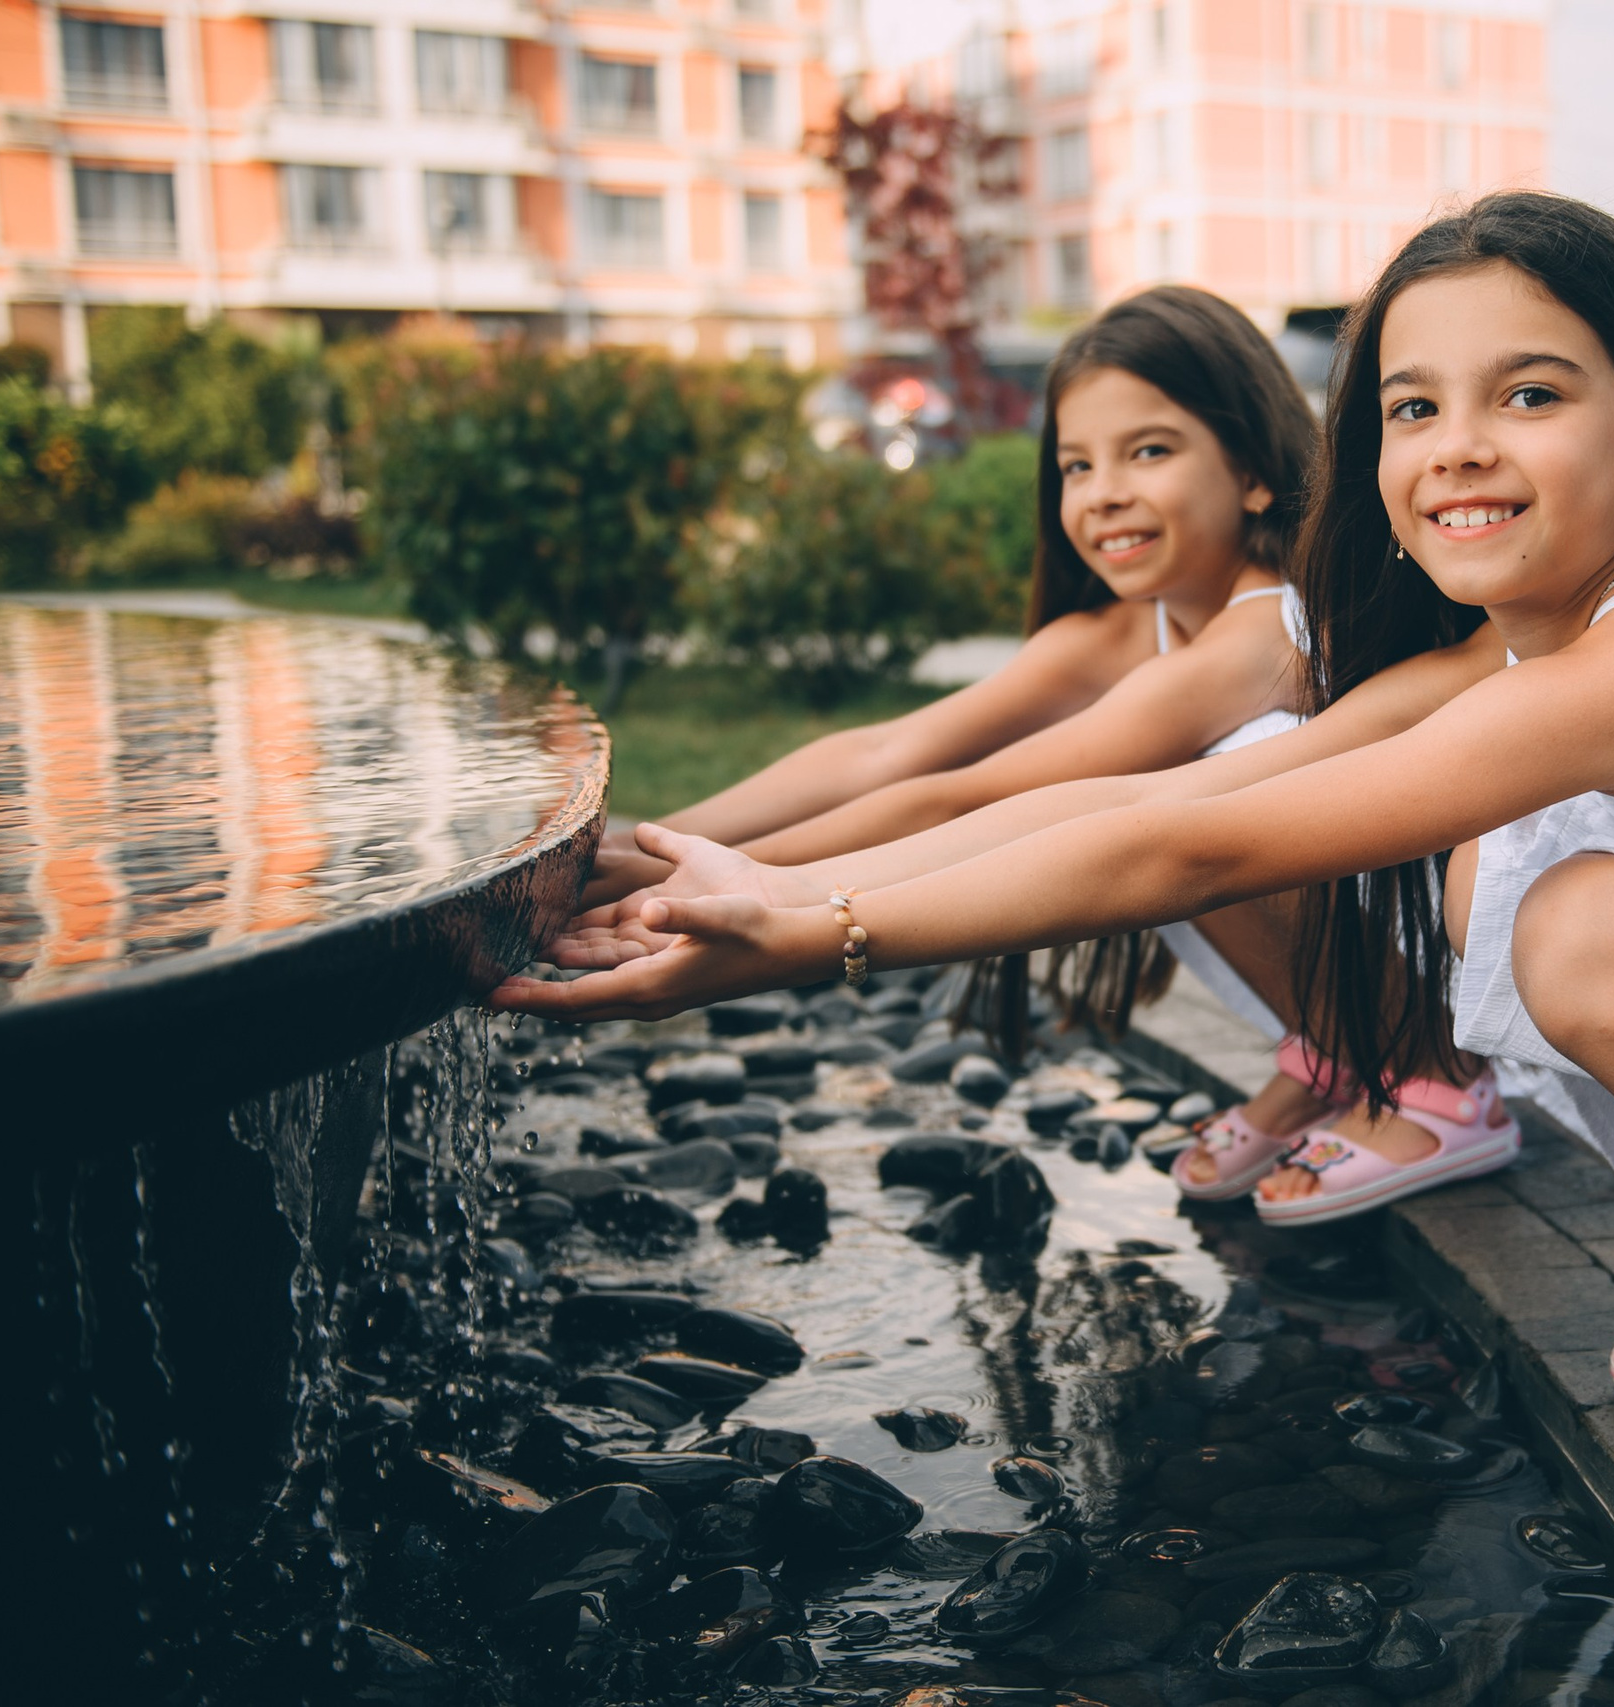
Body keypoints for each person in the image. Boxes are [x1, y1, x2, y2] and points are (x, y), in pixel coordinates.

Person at [501, 191, 1614, 1516]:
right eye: (1411, 408)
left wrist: (818, 934)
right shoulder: (1507, 660)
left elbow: (1197, 834)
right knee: (1513, 886)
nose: (1455, 449)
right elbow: (1121, 805)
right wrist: (734, 877)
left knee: (1581, 928)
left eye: (1525, 394)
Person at [576, 282, 1509, 1218]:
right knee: (1155, 799)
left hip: (1450, 955)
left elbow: (962, 798)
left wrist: (738, 886)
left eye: (1149, 450)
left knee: (1186, 788)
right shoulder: (1124, 630)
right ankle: (1339, 1053)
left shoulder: (1260, 630)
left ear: (1253, 472)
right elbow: (890, 748)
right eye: (1075, 465)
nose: (1105, 492)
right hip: (1348, 939)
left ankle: (1432, 1073)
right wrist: (639, 851)